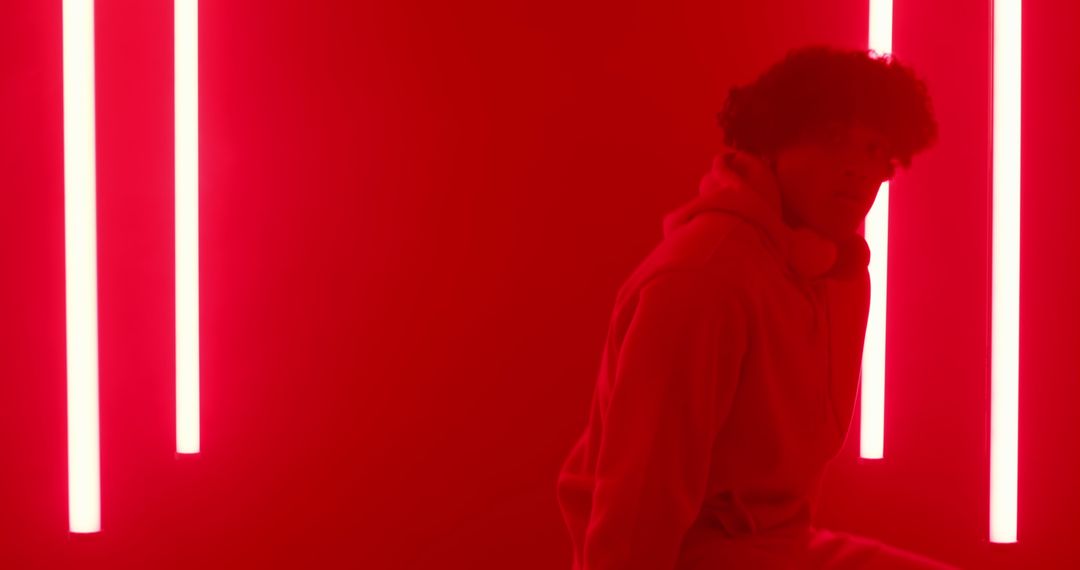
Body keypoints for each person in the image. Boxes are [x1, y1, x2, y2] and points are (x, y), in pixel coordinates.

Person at [555, 45, 957, 569]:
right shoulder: (703, 277)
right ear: (773, 142)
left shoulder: (833, 275)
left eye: (876, 149)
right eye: (835, 141)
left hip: (774, 547)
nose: (859, 169)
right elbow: (637, 505)